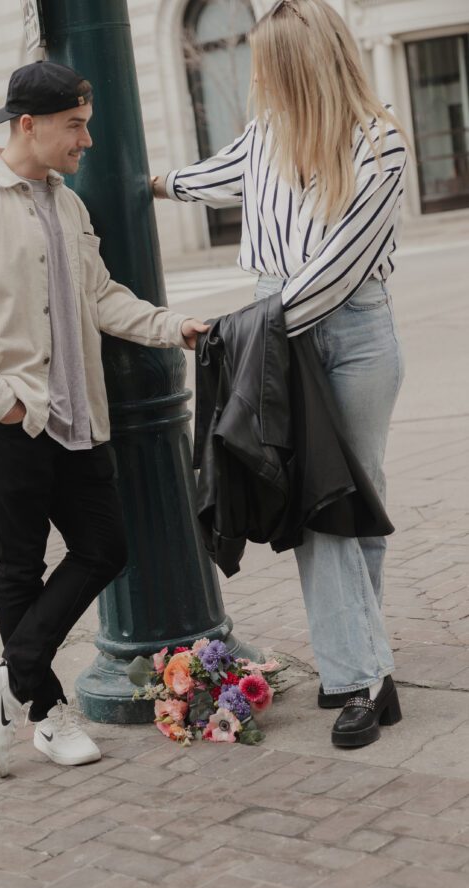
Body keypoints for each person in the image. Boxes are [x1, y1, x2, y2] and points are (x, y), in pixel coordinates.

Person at [0, 61, 207, 776]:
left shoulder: (68, 205)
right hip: (10, 421)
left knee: (104, 546)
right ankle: (43, 713)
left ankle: (10, 671)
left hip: (78, 419)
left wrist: (174, 328)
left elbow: (102, 296)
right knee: (18, 564)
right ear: (28, 125)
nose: (86, 141)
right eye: (75, 126)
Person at [153, 0, 407, 749]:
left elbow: (334, 273)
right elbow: (205, 177)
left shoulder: (377, 144)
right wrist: (146, 183)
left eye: (265, 62)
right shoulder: (265, 136)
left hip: (346, 332)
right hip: (279, 329)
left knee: (353, 503)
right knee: (318, 508)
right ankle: (364, 675)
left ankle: (360, 668)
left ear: (299, 65)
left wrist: (243, 332)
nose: (255, 75)